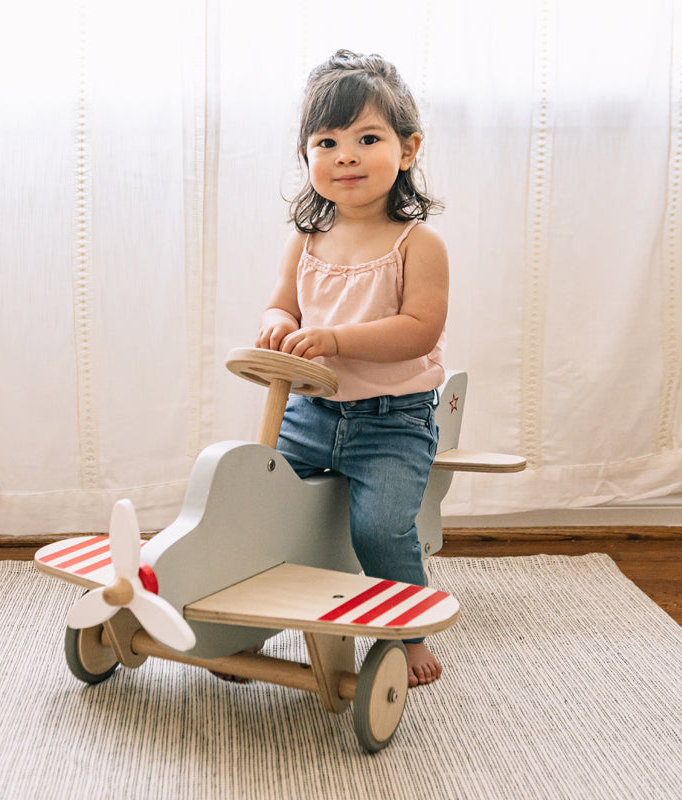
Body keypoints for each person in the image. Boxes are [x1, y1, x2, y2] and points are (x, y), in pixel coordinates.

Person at [255, 50, 449, 688]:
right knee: (261, 501)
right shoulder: (306, 239)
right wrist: (280, 324)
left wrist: (335, 338)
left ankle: (404, 630)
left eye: (368, 138)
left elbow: (419, 332)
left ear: (408, 149)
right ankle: (250, 618)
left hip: (391, 421)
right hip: (310, 414)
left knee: (380, 527)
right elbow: (283, 303)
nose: (346, 155)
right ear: (307, 158)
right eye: (327, 142)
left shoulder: (417, 243)